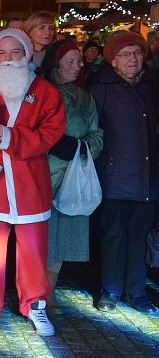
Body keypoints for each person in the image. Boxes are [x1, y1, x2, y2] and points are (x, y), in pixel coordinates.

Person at [0, 28, 65, 337]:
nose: (8, 59)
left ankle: (35, 305)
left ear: (26, 55)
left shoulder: (46, 92)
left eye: (15, 53)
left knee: (33, 251)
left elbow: (51, 133)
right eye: (2, 54)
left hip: (30, 184)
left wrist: (12, 136)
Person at [89, 31, 159, 315]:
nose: (133, 59)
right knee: (114, 236)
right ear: (113, 61)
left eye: (137, 53)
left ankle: (137, 291)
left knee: (139, 237)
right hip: (114, 176)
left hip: (148, 178)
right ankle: (111, 289)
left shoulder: (151, 87)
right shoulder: (101, 88)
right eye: (126, 54)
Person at [40, 40, 103, 313]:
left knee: (61, 232)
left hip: (70, 174)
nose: (78, 66)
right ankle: (31, 286)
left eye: (80, 61)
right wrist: (48, 141)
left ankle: (48, 290)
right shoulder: (40, 89)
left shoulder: (84, 96)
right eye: (72, 60)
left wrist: (82, 147)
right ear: (57, 62)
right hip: (41, 171)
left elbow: (96, 132)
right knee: (38, 232)